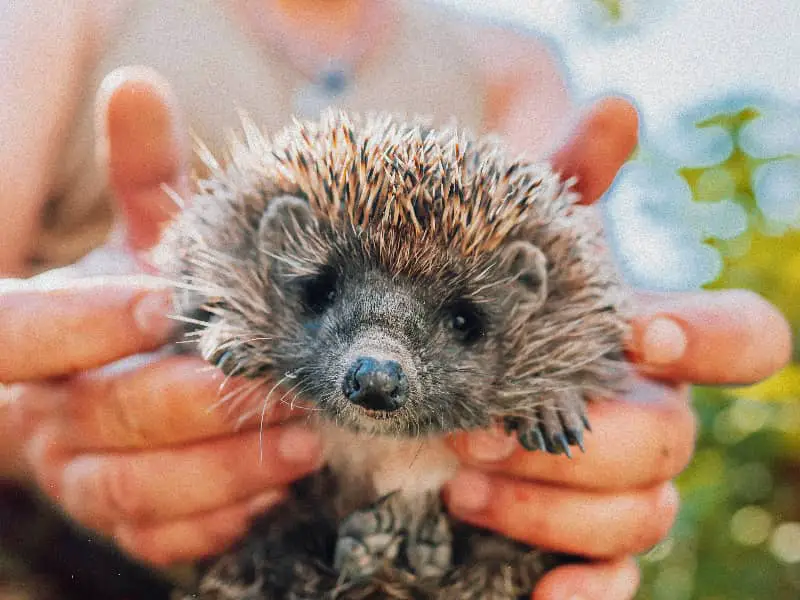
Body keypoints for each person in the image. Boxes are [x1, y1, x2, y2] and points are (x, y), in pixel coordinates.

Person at [0, 1, 791, 599]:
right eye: (321, 294)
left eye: (460, 319)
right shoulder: (69, 13)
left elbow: (593, 323)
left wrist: (615, 430)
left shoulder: (513, 63)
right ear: (278, 246)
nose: (374, 366)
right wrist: (43, 406)